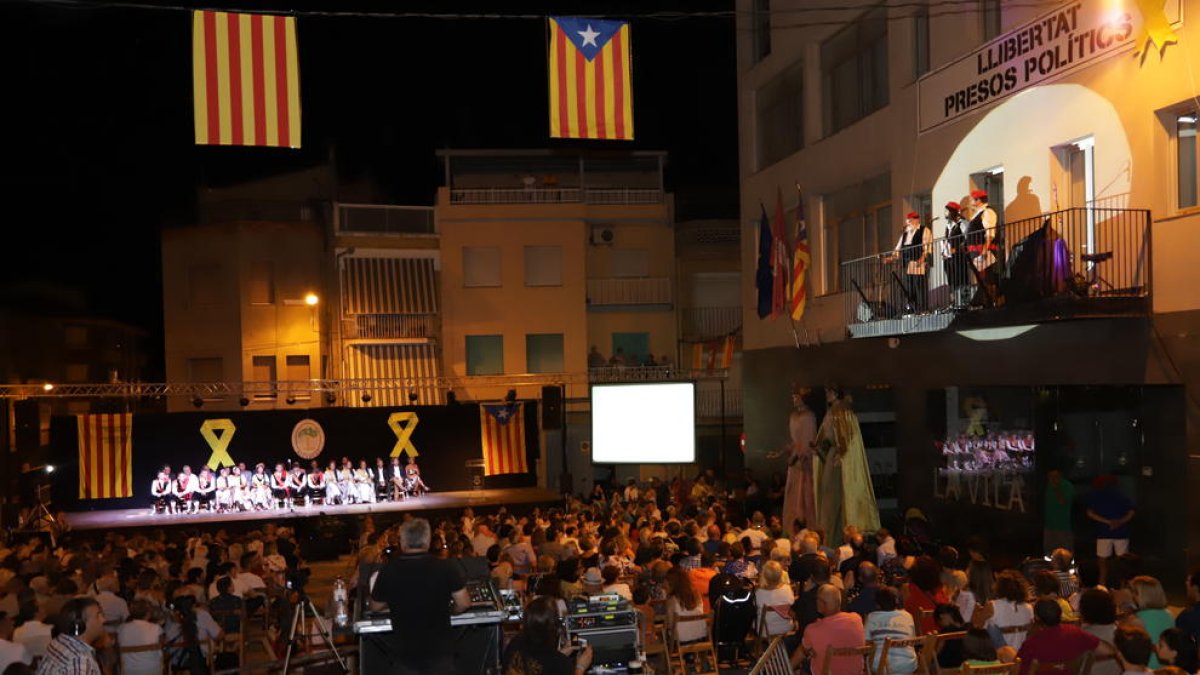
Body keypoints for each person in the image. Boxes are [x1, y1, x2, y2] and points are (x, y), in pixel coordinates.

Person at [371, 518, 471, 674]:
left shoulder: (389, 570)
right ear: (428, 541)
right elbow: (464, 603)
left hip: (405, 655)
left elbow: (375, 606)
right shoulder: (446, 567)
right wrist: (452, 610)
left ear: (402, 542)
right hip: (440, 655)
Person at [814, 385, 880, 537]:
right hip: (832, 456)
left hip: (838, 459)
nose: (827, 394)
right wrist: (820, 447)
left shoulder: (842, 411)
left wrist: (841, 453)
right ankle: (831, 534)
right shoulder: (832, 411)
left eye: (829, 391)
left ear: (836, 393)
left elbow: (847, 437)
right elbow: (828, 437)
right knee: (828, 496)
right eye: (826, 391)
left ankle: (838, 534)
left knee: (836, 497)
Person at [502, 596, 593, 675]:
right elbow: (550, 663)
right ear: (554, 628)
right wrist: (580, 667)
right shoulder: (561, 664)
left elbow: (542, 662)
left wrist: (561, 653)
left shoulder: (515, 644)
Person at [771, 385, 817, 532]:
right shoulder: (794, 416)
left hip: (803, 463)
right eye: (793, 396)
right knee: (792, 495)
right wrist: (781, 452)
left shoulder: (809, 416)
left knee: (803, 496)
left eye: (796, 396)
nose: (793, 399)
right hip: (794, 463)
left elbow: (807, 442)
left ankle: (806, 527)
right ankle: (792, 528)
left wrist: (796, 457)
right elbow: (795, 442)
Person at [792, 584, 865, 674]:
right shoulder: (857, 619)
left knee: (804, 656)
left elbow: (804, 651)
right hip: (856, 673)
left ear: (822, 604)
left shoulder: (812, 630)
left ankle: (786, 669)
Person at [1015, 599, 1101, 674]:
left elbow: (1018, 670)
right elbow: (1105, 650)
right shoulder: (1076, 632)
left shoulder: (1031, 644)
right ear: (1060, 614)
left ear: (1037, 617)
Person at [36, 597, 104, 675]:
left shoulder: (59, 641)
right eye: (98, 616)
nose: (103, 620)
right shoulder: (80, 661)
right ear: (80, 625)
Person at [1087, 475, 1134, 587]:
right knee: (1123, 562)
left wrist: (1108, 522)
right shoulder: (1123, 495)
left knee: (1102, 562)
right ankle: (1123, 586)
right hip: (1121, 532)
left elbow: (1090, 513)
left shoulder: (1097, 495)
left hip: (1104, 532)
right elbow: (1131, 512)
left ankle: (1102, 585)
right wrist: (1120, 522)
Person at [865, 587, 918, 674]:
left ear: (877, 605)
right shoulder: (907, 616)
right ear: (896, 601)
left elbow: (866, 643)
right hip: (907, 664)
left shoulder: (872, 617)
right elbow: (912, 640)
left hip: (880, 665)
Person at [886, 211, 932, 312]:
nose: (908, 223)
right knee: (909, 288)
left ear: (916, 220)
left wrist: (922, 258)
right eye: (908, 221)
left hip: (917, 263)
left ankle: (923, 309)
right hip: (907, 265)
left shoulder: (924, 230)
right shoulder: (905, 234)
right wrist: (890, 258)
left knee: (919, 287)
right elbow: (898, 249)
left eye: (910, 221)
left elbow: (927, 246)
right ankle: (912, 310)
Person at [981, 570, 1033, 650]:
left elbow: (978, 629)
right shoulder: (1029, 608)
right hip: (1022, 653)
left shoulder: (992, 606)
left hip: (1000, 654)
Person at [1129, 575, 1173, 668]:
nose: (1132, 596)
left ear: (1141, 595)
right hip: (1166, 665)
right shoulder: (1169, 615)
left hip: (1146, 666)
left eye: (1134, 592)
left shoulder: (1137, 619)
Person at [116, 600, 164, 675]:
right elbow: (162, 645)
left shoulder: (121, 628)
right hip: (152, 669)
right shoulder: (156, 628)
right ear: (148, 613)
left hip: (129, 670)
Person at [941, 200, 971, 307]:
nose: (946, 213)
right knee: (952, 280)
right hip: (949, 257)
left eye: (948, 211)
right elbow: (947, 240)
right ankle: (954, 302)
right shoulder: (948, 226)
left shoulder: (963, 223)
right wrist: (943, 251)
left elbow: (967, 239)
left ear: (954, 212)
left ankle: (964, 302)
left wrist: (957, 249)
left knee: (961, 278)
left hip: (959, 257)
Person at [755, 561, 795, 637]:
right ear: (781, 574)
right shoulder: (787, 589)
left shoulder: (759, 592)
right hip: (786, 627)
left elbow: (754, 608)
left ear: (764, 575)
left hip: (764, 630)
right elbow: (792, 602)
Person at [1043, 469, 1075, 555]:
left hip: (1062, 526)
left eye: (1054, 476)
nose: (1051, 478)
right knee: (1049, 552)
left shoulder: (1067, 486)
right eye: (1049, 476)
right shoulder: (1049, 485)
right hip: (1049, 525)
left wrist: (1056, 488)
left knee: (1065, 553)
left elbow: (1062, 501)